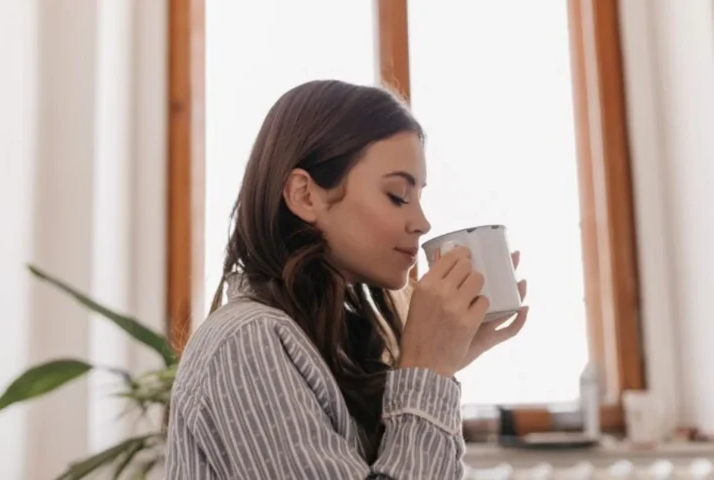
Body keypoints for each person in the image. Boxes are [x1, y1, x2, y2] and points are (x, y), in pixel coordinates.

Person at [165, 79, 529, 479]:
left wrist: (443, 359)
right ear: (305, 195)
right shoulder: (248, 340)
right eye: (397, 195)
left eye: (419, 197)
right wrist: (427, 371)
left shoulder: (326, 342)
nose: (422, 223)